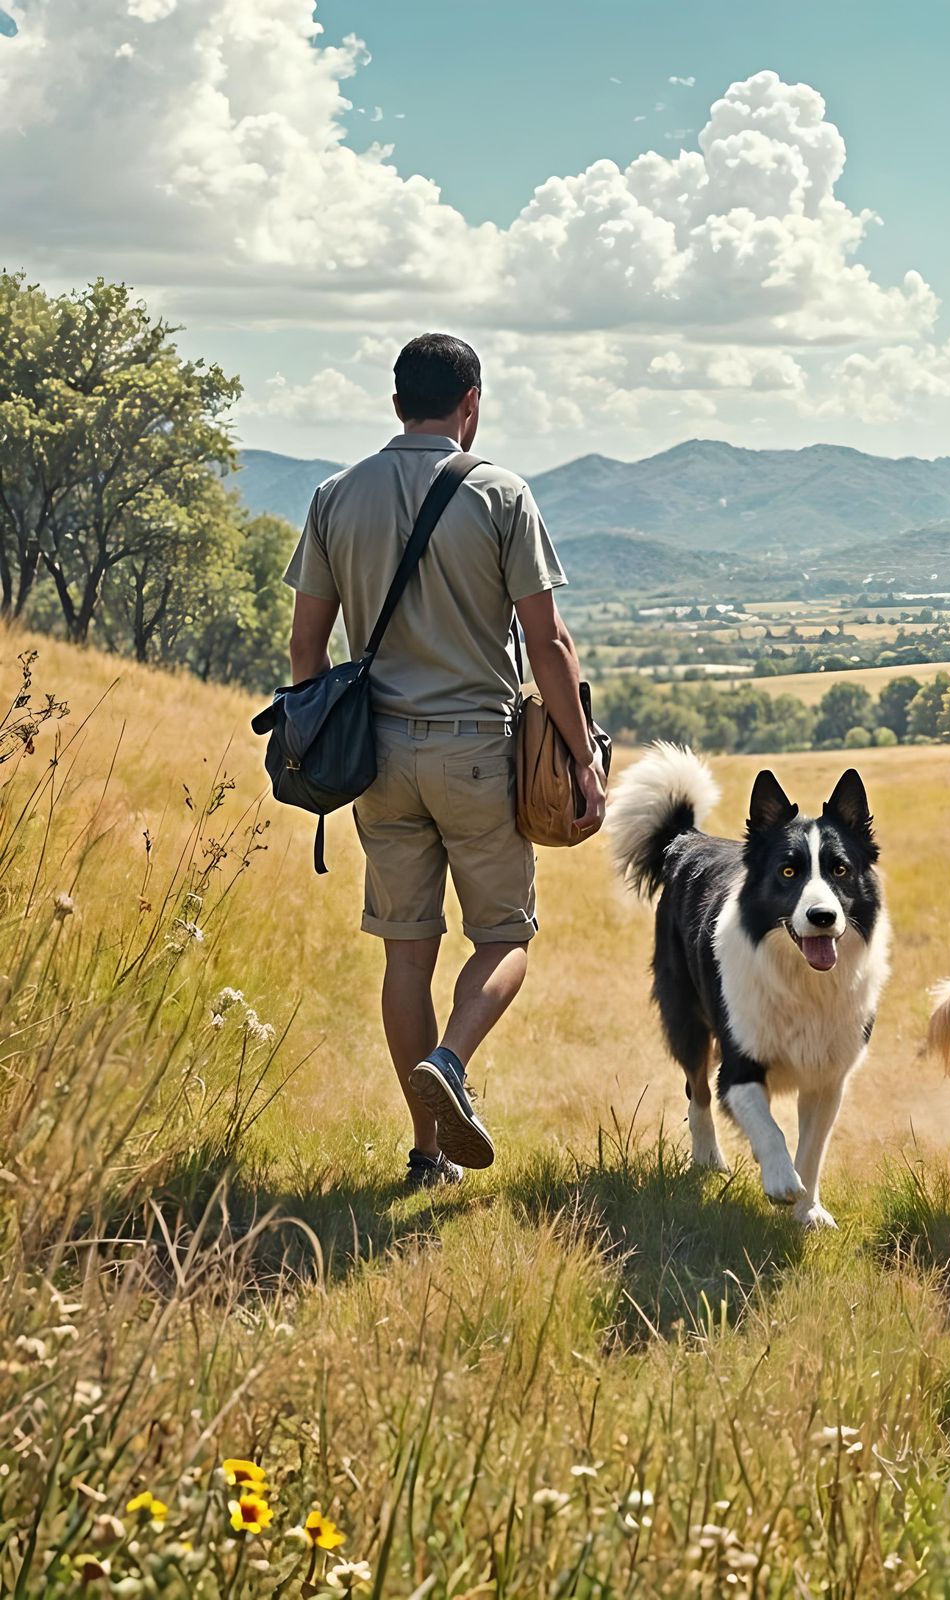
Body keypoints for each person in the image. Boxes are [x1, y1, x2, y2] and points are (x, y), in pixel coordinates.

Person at [282, 333, 605, 1190]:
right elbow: (549, 642)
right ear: (472, 404)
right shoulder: (501, 493)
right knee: (503, 936)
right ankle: (454, 1063)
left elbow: (305, 649)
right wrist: (582, 758)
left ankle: (427, 1155)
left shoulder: (332, 496)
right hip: (477, 754)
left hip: (375, 760)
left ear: (395, 405)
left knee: (405, 956)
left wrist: (325, 745)